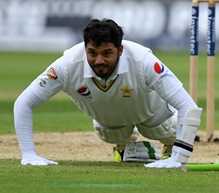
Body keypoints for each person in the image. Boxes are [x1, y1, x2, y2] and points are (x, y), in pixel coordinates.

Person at [13, 18, 201, 169]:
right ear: (85, 47)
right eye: (92, 53)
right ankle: (123, 146)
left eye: (107, 53)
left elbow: (188, 105)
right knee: (109, 133)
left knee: (157, 129)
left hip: (153, 112)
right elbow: (23, 103)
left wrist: (178, 158)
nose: (99, 60)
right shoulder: (67, 65)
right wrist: (28, 154)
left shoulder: (144, 61)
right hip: (109, 119)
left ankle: (170, 145)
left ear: (120, 50)